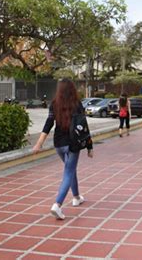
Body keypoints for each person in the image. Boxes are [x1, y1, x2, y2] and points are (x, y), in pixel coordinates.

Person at [32, 79, 93, 220]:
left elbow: (48, 124)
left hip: (59, 144)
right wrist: (89, 146)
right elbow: (83, 126)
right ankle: (57, 205)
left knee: (70, 170)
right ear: (72, 89)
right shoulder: (77, 104)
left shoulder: (54, 104)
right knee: (68, 172)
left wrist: (39, 144)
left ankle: (76, 197)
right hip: (73, 144)